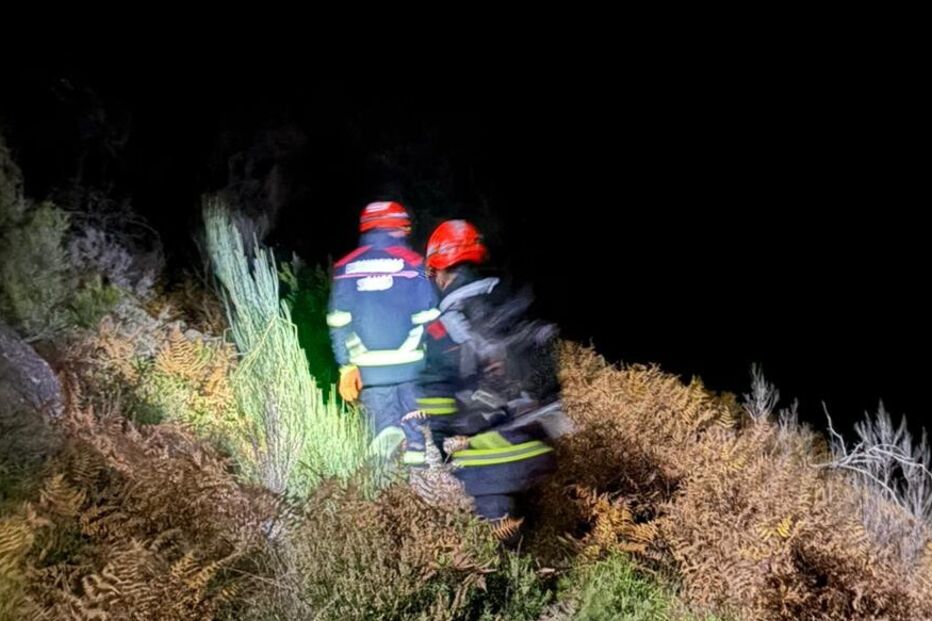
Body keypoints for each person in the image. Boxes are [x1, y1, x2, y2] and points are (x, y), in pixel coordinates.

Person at [406, 219, 562, 540]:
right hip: (536, 451)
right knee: (537, 539)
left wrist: (435, 451)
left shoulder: (442, 329)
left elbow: (436, 399)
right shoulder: (513, 305)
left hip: (489, 464)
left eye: (434, 273)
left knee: (495, 552)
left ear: (440, 270)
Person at [327, 201, 438, 448]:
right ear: (398, 227)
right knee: (419, 439)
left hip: (370, 375)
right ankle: (418, 469)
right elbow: (431, 312)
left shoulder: (345, 268)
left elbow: (338, 321)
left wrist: (346, 367)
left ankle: (387, 473)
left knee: (383, 444)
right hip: (413, 372)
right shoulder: (417, 265)